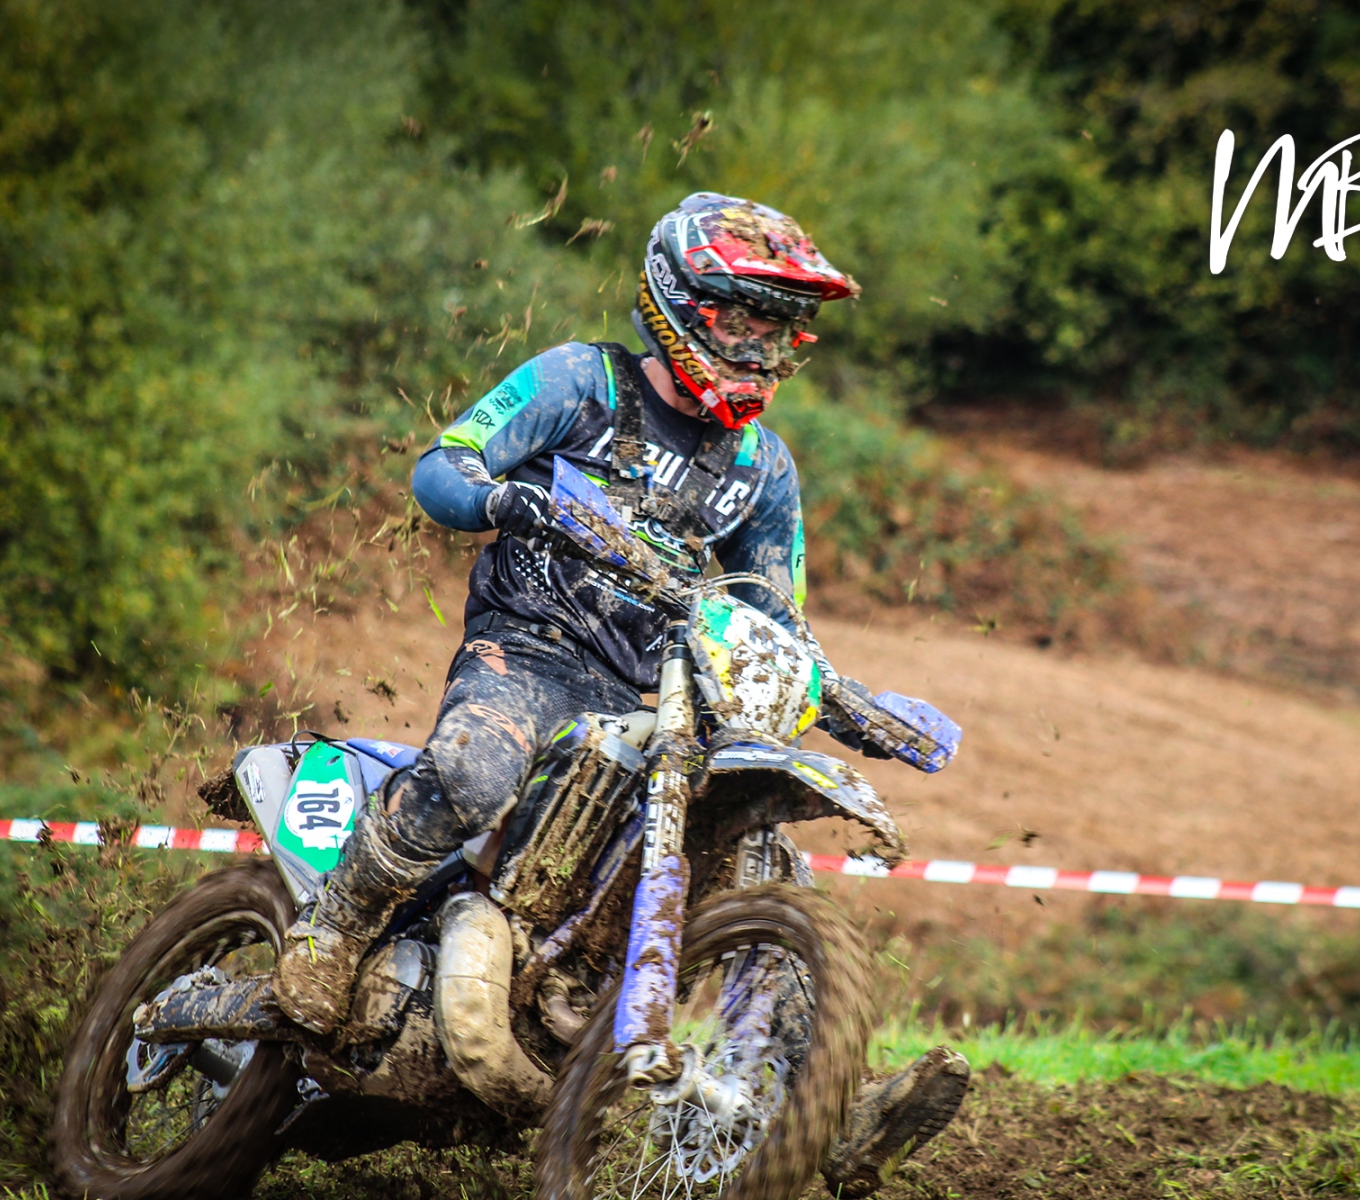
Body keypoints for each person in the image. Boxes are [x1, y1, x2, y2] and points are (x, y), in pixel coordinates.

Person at [272, 192, 967, 1195]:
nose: (762, 349)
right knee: (474, 771)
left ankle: (818, 1105)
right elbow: (444, 464)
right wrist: (502, 495)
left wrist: (841, 696)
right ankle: (334, 928)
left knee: (765, 857)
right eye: (743, 321)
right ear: (681, 302)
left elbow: (776, 613)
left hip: (661, 692)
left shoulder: (763, 468)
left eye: (780, 330)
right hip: (533, 650)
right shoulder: (582, 381)